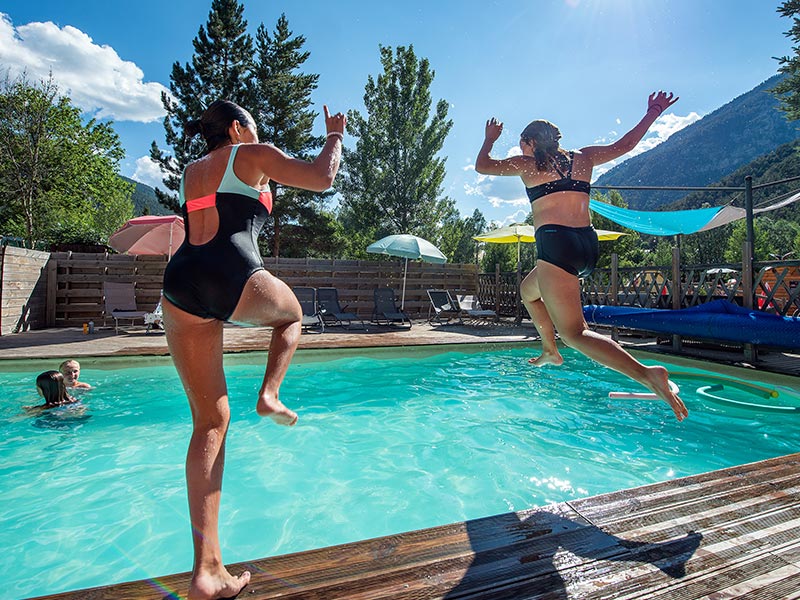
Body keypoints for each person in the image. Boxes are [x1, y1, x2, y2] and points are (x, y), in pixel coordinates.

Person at [161, 99, 345, 600]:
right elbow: (321, 179)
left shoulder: (191, 171)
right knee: (292, 316)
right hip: (232, 270)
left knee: (209, 423)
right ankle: (270, 393)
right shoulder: (251, 151)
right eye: (254, 126)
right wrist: (334, 138)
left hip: (180, 283)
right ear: (239, 128)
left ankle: (206, 572)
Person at [475, 91, 688, 422]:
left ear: (531, 142)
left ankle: (647, 373)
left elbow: (481, 166)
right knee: (528, 292)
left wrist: (489, 140)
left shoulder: (526, 165)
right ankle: (549, 350)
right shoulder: (584, 158)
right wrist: (654, 112)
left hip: (556, 244)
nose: (519, 150)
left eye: (521, 143)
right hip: (586, 246)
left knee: (576, 333)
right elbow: (626, 145)